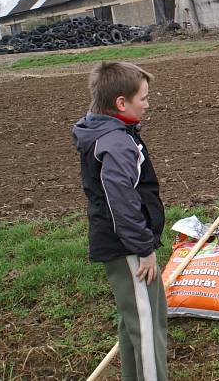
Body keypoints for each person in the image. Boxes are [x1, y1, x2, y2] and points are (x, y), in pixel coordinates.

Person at [72, 61, 167, 380]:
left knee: (134, 324)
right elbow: (122, 201)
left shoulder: (108, 132)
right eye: (143, 98)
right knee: (147, 329)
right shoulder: (116, 143)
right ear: (121, 103)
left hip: (123, 244)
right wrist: (144, 247)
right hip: (128, 248)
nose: (148, 103)